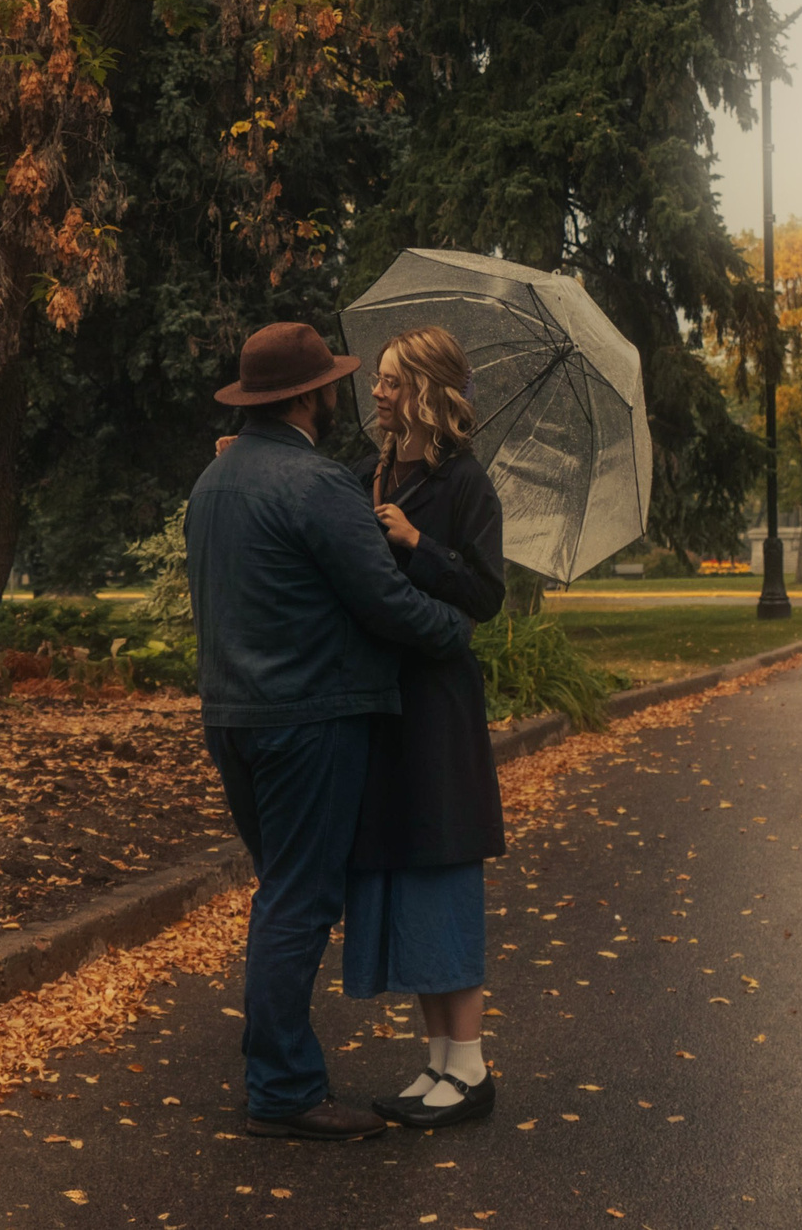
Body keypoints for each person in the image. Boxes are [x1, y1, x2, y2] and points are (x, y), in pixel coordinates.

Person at [188, 321, 481, 1141]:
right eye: (334, 383)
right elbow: (386, 600)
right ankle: (281, 1088)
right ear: (310, 395)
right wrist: (453, 629)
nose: (348, 394)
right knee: (300, 899)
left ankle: (272, 1069)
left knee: (279, 890)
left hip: (232, 716)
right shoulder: (317, 485)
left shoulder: (213, 483)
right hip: (306, 720)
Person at [341, 326, 508, 1128]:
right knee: (408, 869)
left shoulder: (466, 482)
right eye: (377, 378)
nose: (378, 390)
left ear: (429, 390)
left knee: (441, 868)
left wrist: (418, 544)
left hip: (439, 706)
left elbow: (485, 593)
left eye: (393, 379)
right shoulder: (374, 469)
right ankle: (436, 1061)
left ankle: (470, 1069)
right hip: (389, 703)